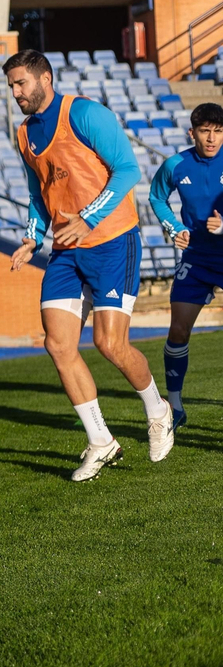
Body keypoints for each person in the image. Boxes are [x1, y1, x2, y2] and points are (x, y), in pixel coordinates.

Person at [5, 47, 173, 481]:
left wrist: (88, 219)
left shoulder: (85, 115)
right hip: (65, 248)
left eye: (21, 83)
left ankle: (158, 410)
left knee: (109, 344)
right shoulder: (24, 134)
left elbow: (128, 170)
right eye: (11, 86)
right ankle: (101, 441)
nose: (16, 92)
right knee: (58, 345)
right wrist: (31, 235)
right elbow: (37, 192)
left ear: (45, 78)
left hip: (113, 240)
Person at [149, 102, 223, 426]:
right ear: (191, 132)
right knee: (178, 329)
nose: (212, 139)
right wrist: (174, 228)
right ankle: (175, 407)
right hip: (197, 258)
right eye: (205, 131)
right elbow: (156, 197)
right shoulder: (175, 165)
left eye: (218, 132)